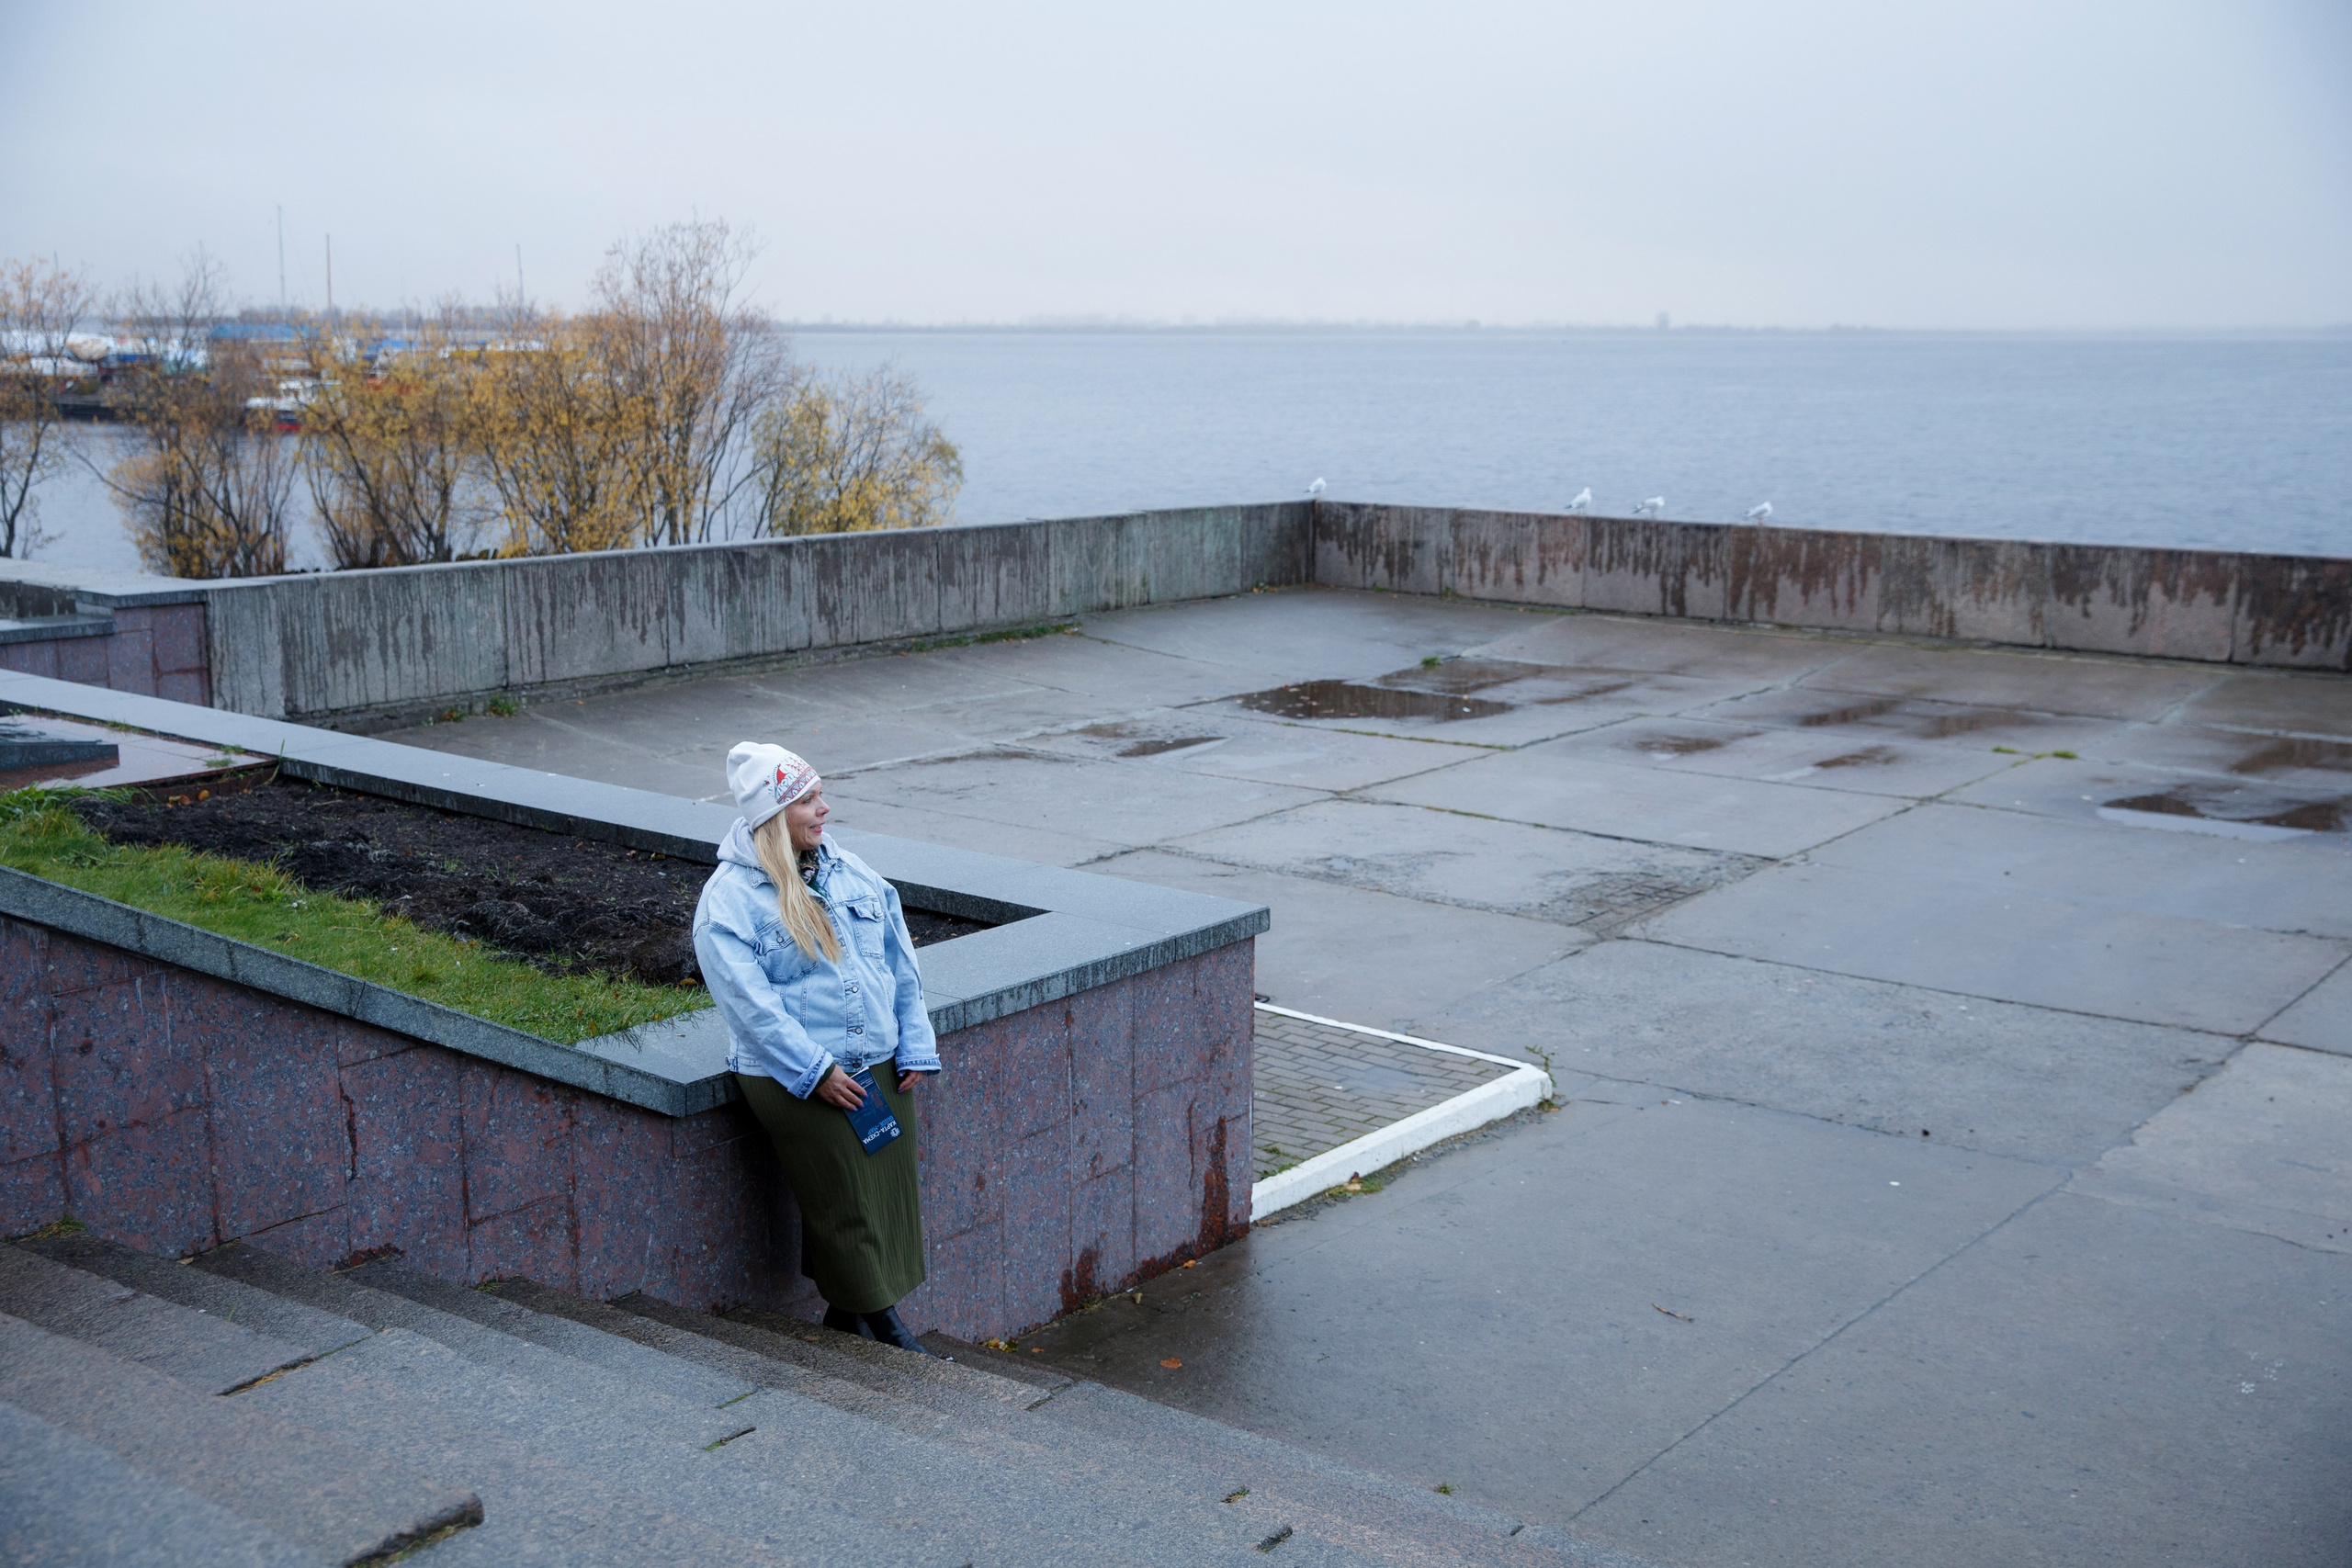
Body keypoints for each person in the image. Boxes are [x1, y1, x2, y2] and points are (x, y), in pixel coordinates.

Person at [693, 741, 942, 1353]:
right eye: (808, 799)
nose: (824, 808)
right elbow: (752, 1008)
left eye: (820, 793)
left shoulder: (850, 872)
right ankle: (885, 1324)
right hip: (790, 1074)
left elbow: (899, 963)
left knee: (886, 1188)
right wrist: (816, 1070)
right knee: (844, 1195)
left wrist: (914, 1042)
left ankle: (846, 1316)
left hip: (878, 1059)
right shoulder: (728, 902)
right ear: (774, 814)